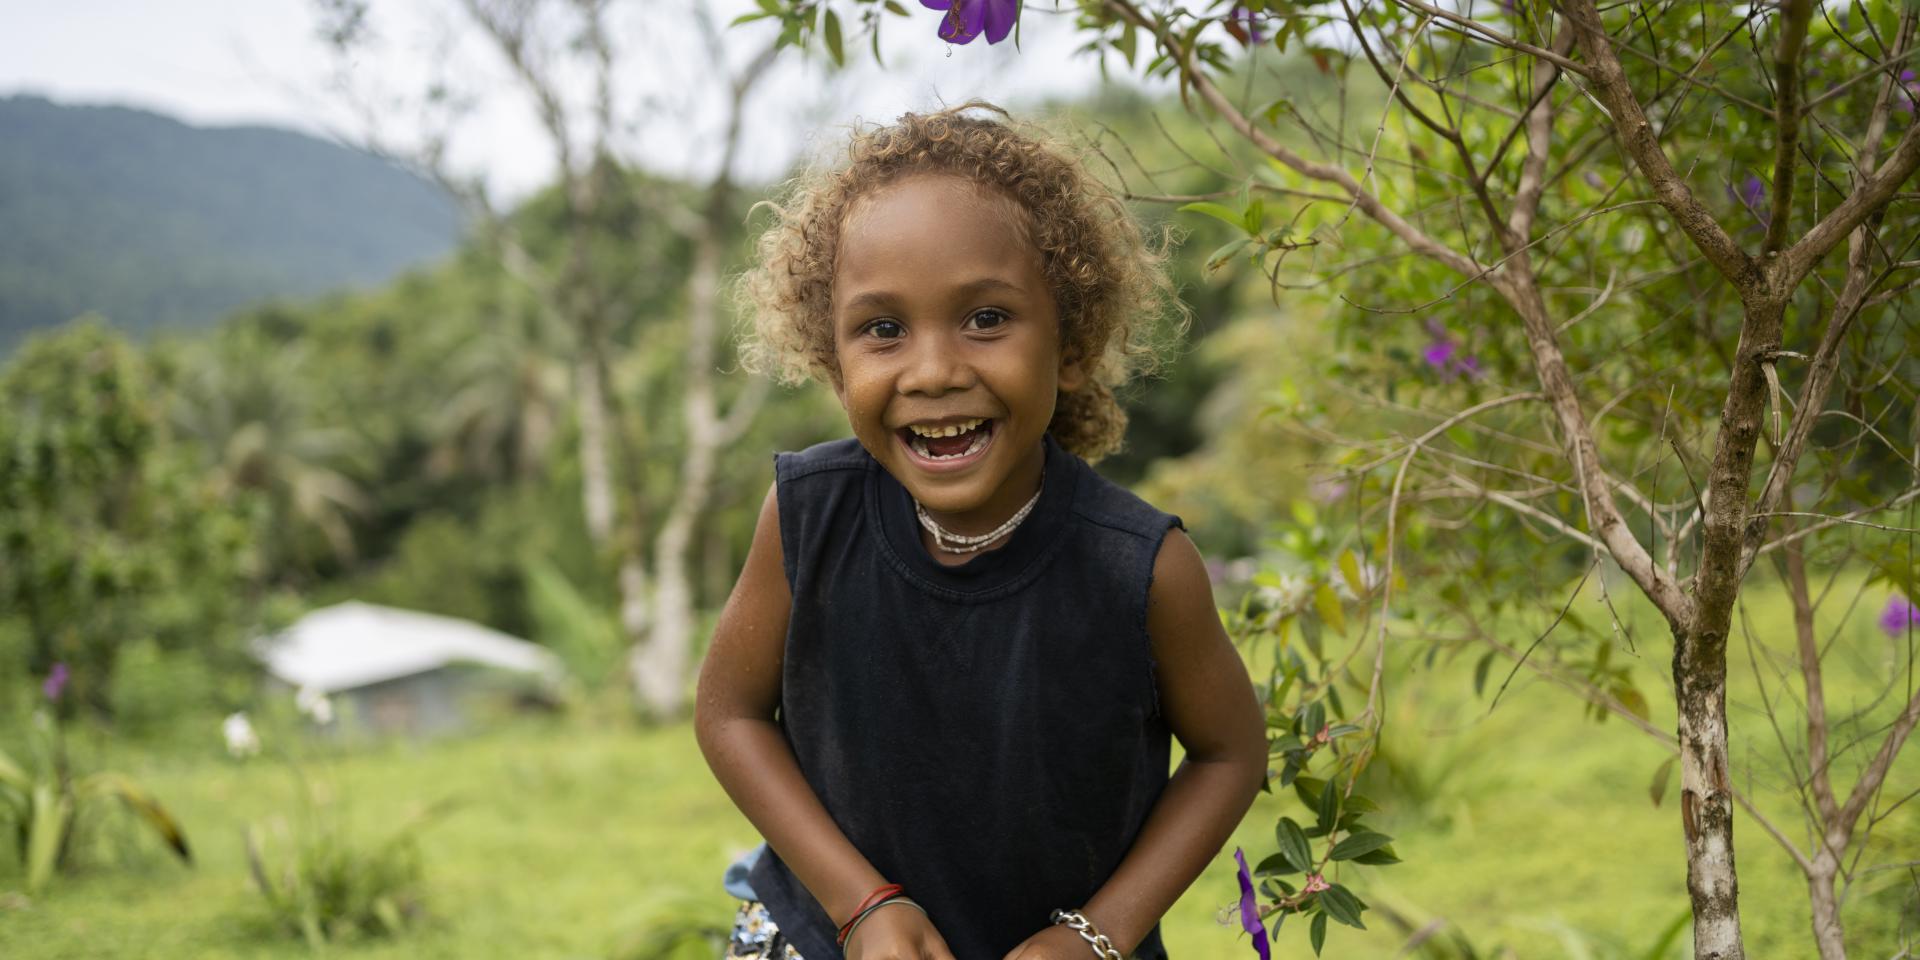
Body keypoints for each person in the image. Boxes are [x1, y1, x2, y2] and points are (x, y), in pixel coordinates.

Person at [694, 101, 1267, 960]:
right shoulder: (807, 515)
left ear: (1071, 345)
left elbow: (1229, 754)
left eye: (986, 319)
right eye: (883, 330)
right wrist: (860, 907)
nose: (933, 371)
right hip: (824, 935)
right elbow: (729, 712)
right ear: (832, 355)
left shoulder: (1141, 567)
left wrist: (1096, 936)